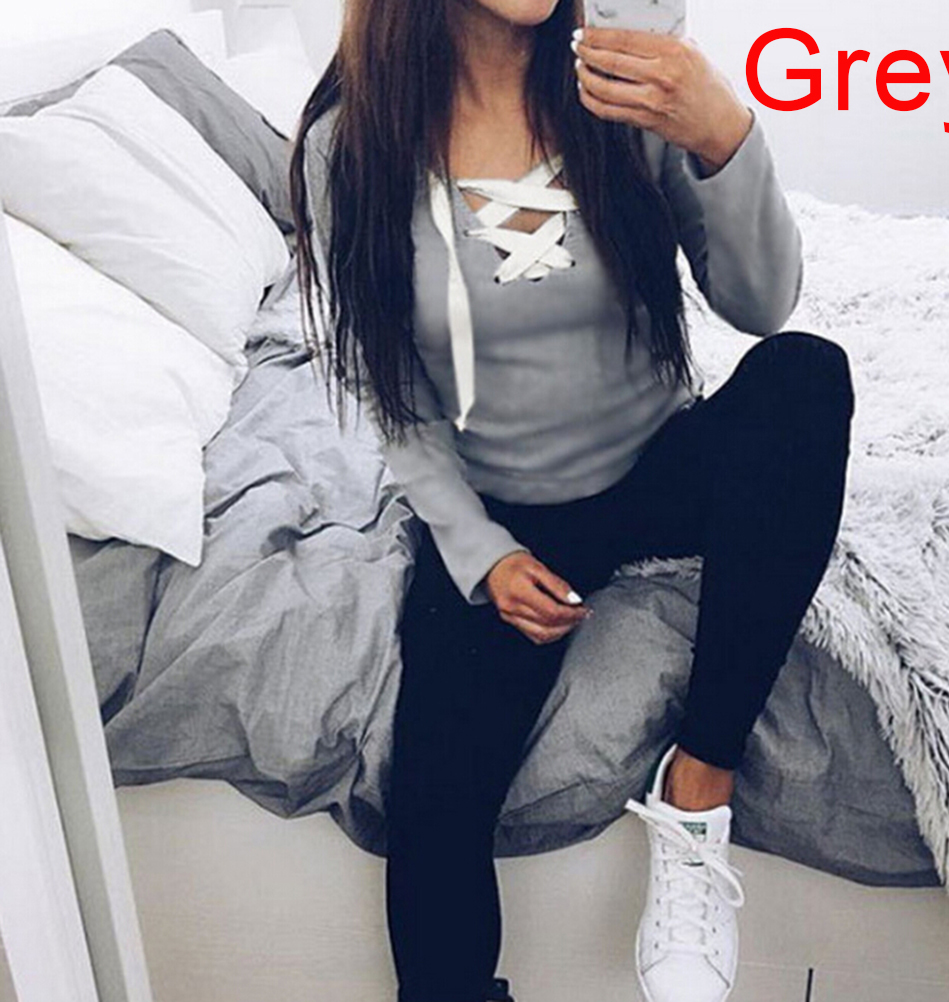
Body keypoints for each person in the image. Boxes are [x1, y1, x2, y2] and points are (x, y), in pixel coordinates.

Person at [291, 2, 855, 1001]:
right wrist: (481, 552)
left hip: (661, 464)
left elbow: (764, 306)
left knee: (806, 377)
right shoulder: (351, 145)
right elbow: (395, 397)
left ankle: (697, 792)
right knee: (433, 819)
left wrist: (724, 133)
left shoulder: (627, 91)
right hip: (510, 513)